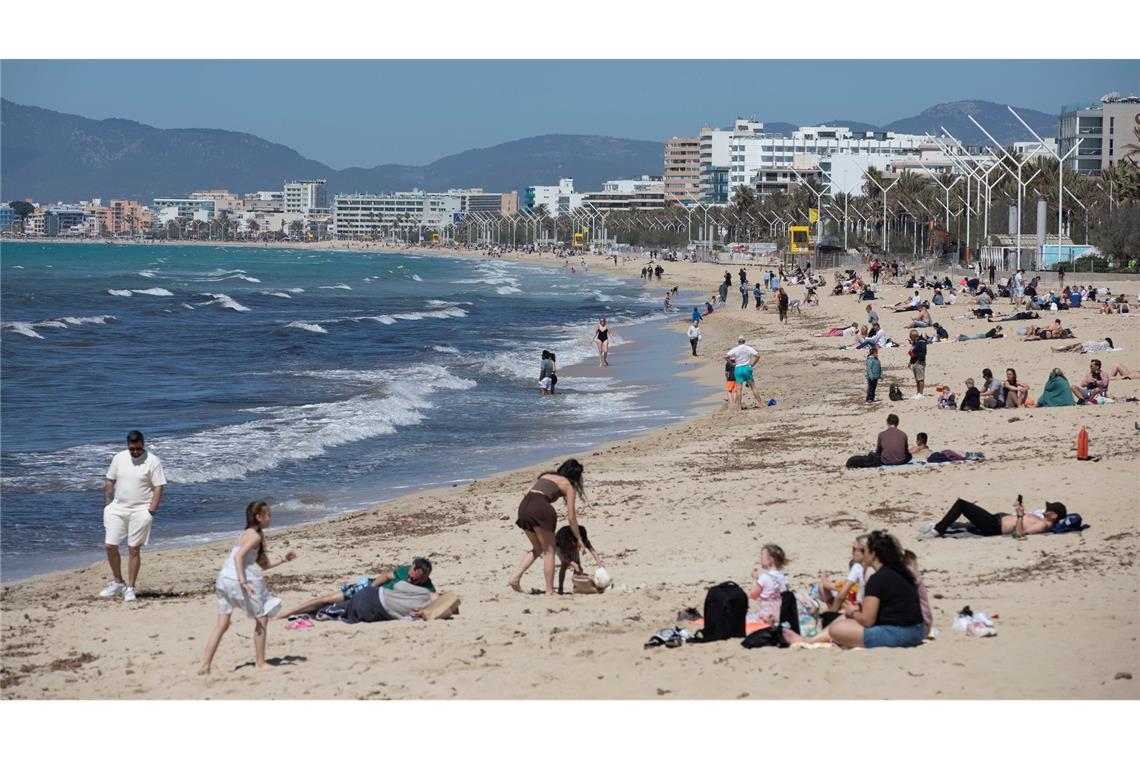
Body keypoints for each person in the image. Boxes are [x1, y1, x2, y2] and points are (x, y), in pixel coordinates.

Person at [198, 500, 296, 674]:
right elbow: (239, 558)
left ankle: (205, 665)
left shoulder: (246, 534)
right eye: (268, 515)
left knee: (222, 624)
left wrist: (284, 559)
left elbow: (263, 565)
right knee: (262, 617)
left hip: (224, 579)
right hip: (238, 580)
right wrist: (244, 583)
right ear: (258, 517)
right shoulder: (255, 536)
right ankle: (260, 663)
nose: (270, 518)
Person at [785, 530, 925, 649]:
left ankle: (809, 641)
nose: (864, 554)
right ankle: (809, 641)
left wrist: (852, 612)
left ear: (873, 553)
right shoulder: (898, 572)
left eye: (866, 550)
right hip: (917, 630)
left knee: (837, 629)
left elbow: (867, 621)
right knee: (844, 618)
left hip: (901, 634)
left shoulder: (877, 578)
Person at [99, 430, 167, 602]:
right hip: (117, 508)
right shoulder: (119, 458)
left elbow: (159, 487)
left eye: (137, 448)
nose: (135, 452)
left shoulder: (153, 461)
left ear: (143, 444)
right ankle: (117, 582)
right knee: (110, 545)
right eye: (132, 449)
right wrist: (107, 505)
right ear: (128, 446)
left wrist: (151, 511)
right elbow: (109, 480)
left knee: (133, 549)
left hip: (141, 510)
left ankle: (130, 587)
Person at [509, 459, 586, 597]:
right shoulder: (568, 485)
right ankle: (549, 591)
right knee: (549, 552)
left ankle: (515, 577)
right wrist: (579, 538)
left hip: (524, 507)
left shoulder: (545, 475)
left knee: (537, 548)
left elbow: (526, 492)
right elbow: (571, 517)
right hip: (541, 509)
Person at [276, 557, 435, 620]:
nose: (409, 579)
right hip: (368, 589)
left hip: (378, 602)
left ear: (424, 578)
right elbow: (386, 576)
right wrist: (368, 587)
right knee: (327, 599)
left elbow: (434, 598)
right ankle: (287, 614)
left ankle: (310, 614)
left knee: (331, 607)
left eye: (414, 579)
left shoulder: (427, 587)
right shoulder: (407, 570)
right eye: (409, 575)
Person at [918, 497, 1066, 540]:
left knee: (962, 504)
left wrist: (1020, 514)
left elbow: (1018, 534)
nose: (1046, 509)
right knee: (965, 512)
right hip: (996, 520)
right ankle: (939, 526)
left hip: (994, 527)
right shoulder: (1041, 518)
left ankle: (938, 530)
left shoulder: (1043, 526)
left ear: (1053, 516)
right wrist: (1018, 510)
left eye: (1049, 509)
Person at [818, 535, 869, 614]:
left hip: (861, 610)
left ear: (864, 551)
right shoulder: (876, 568)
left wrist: (832, 614)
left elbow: (841, 595)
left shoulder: (857, 567)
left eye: (854, 549)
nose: (852, 552)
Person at [556, 525, 604, 594]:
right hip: (559, 545)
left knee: (578, 566)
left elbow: (591, 549)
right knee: (564, 564)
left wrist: (599, 562)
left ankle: (576, 587)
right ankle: (560, 588)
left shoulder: (582, 537)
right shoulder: (564, 538)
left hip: (571, 543)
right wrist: (572, 564)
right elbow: (564, 556)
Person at [749, 544, 789, 626]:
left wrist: (755, 579)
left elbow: (753, 595)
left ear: (770, 558)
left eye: (762, 555)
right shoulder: (784, 577)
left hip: (766, 617)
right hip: (780, 616)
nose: (760, 558)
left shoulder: (764, 577)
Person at [726, 335, 763, 411]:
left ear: (738, 342)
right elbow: (758, 356)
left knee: (739, 389)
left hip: (738, 368)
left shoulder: (735, 349)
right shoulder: (748, 348)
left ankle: (739, 407)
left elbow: (726, 356)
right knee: (753, 387)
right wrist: (753, 364)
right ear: (744, 341)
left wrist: (731, 363)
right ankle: (760, 403)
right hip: (746, 367)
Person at [908, 330, 927, 400]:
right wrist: (910, 362)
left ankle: (921, 394)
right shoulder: (915, 343)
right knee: (917, 379)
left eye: (910, 336)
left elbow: (923, 353)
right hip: (915, 362)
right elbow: (913, 353)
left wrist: (918, 359)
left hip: (920, 362)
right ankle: (918, 393)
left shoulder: (921, 342)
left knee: (920, 379)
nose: (910, 338)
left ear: (913, 336)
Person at [1051, 337, 1115, 353]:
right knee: (1073, 348)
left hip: (1090, 344)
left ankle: (1058, 349)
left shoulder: (1105, 342)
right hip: (1091, 347)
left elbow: (1100, 340)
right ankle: (1059, 350)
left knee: (1073, 346)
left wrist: (1101, 339)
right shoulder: (1107, 346)